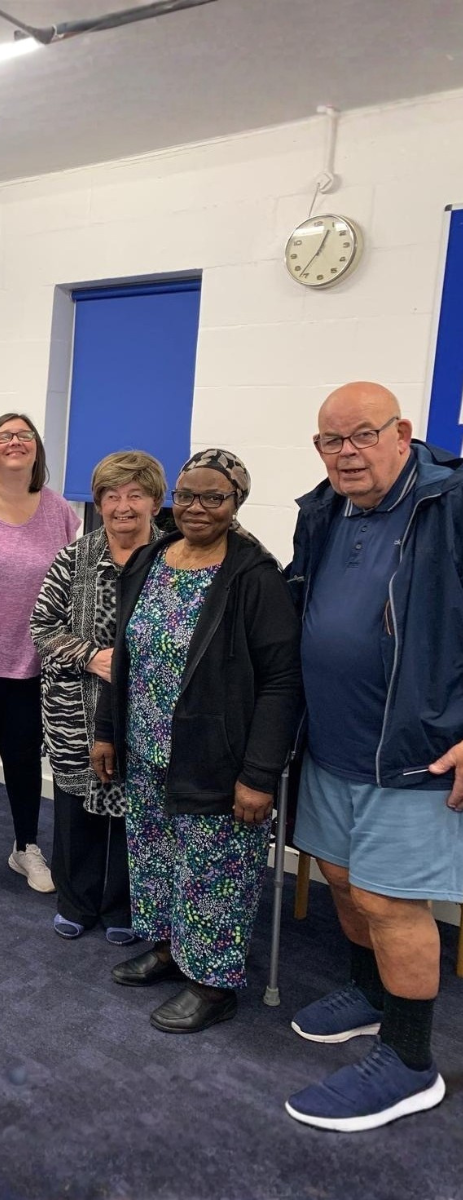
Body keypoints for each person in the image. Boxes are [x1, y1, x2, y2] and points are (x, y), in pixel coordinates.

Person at [283, 381, 461, 1131]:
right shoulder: (322, 509)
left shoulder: (448, 505)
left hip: (413, 755)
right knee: (345, 881)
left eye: (362, 435)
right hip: (330, 745)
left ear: (403, 432)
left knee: (392, 902)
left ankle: (411, 1063)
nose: (346, 453)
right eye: (331, 440)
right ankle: (371, 992)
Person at [91, 449, 301, 1033]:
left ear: (236, 503)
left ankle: (213, 982)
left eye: (214, 497)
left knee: (215, 869)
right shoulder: (153, 557)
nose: (197, 508)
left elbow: (283, 681)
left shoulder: (254, 575)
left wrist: (259, 773)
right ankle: (169, 948)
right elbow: (124, 652)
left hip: (218, 755)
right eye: (187, 495)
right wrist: (108, 729)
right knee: (156, 857)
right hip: (147, 746)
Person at [31, 450, 165, 944]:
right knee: (75, 810)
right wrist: (92, 655)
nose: (122, 506)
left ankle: (124, 906)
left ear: (155, 501)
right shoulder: (75, 556)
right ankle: (76, 901)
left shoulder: (173, 558)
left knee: (138, 809)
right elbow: (40, 627)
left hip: (146, 712)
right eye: (111, 495)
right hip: (75, 711)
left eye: (135, 495)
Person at [0, 413, 80, 891]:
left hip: (36, 662)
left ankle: (25, 847)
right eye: (4, 436)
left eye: (24, 435)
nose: (15, 442)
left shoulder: (59, 512)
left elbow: (76, 583)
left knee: (22, 759)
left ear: (36, 450)